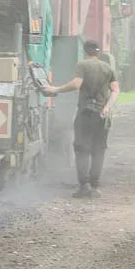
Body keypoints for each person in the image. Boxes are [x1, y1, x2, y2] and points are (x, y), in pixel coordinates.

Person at [42, 40, 120, 198]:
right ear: (98, 53)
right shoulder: (108, 68)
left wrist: (55, 89)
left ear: (85, 51)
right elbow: (116, 90)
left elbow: (76, 84)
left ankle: (84, 186)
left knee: (82, 149)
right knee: (98, 150)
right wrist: (107, 106)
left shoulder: (82, 65)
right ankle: (95, 186)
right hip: (102, 115)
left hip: (86, 113)